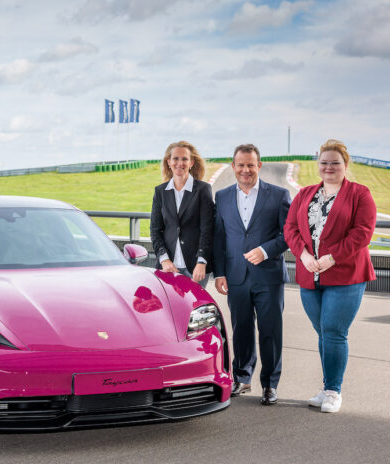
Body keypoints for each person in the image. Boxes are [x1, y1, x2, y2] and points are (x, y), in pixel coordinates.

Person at [283, 139, 376, 413]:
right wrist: (304, 256)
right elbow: (290, 228)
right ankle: (326, 387)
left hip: (346, 274)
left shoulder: (360, 194)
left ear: (345, 165)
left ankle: (334, 391)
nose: (329, 167)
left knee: (334, 332)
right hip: (310, 274)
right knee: (323, 332)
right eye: (324, 162)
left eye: (335, 162)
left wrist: (332, 257)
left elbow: (363, 232)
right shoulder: (305, 194)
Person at [213, 143, 291, 405]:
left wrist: (266, 251)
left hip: (268, 276)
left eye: (250, 164)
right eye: (240, 165)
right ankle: (242, 378)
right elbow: (219, 237)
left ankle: (270, 384)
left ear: (259, 165)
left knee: (270, 331)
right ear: (233, 166)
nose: (245, 170)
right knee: (241, 329)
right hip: (236, 276)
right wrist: (220, 273)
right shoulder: (222, 196)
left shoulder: (279, 195)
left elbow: (288, 235)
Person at [150, 141, 214, 287]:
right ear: (169, 162)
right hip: (168, 267)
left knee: (195, 308)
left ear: (191, 163)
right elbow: (155, 230)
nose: (180, 163)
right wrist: (164, 260)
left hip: (196, 268)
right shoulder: (160, 192)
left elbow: (207, 230)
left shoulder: (203, 190)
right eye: (176, 158)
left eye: (184, 159)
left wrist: (202, 261)